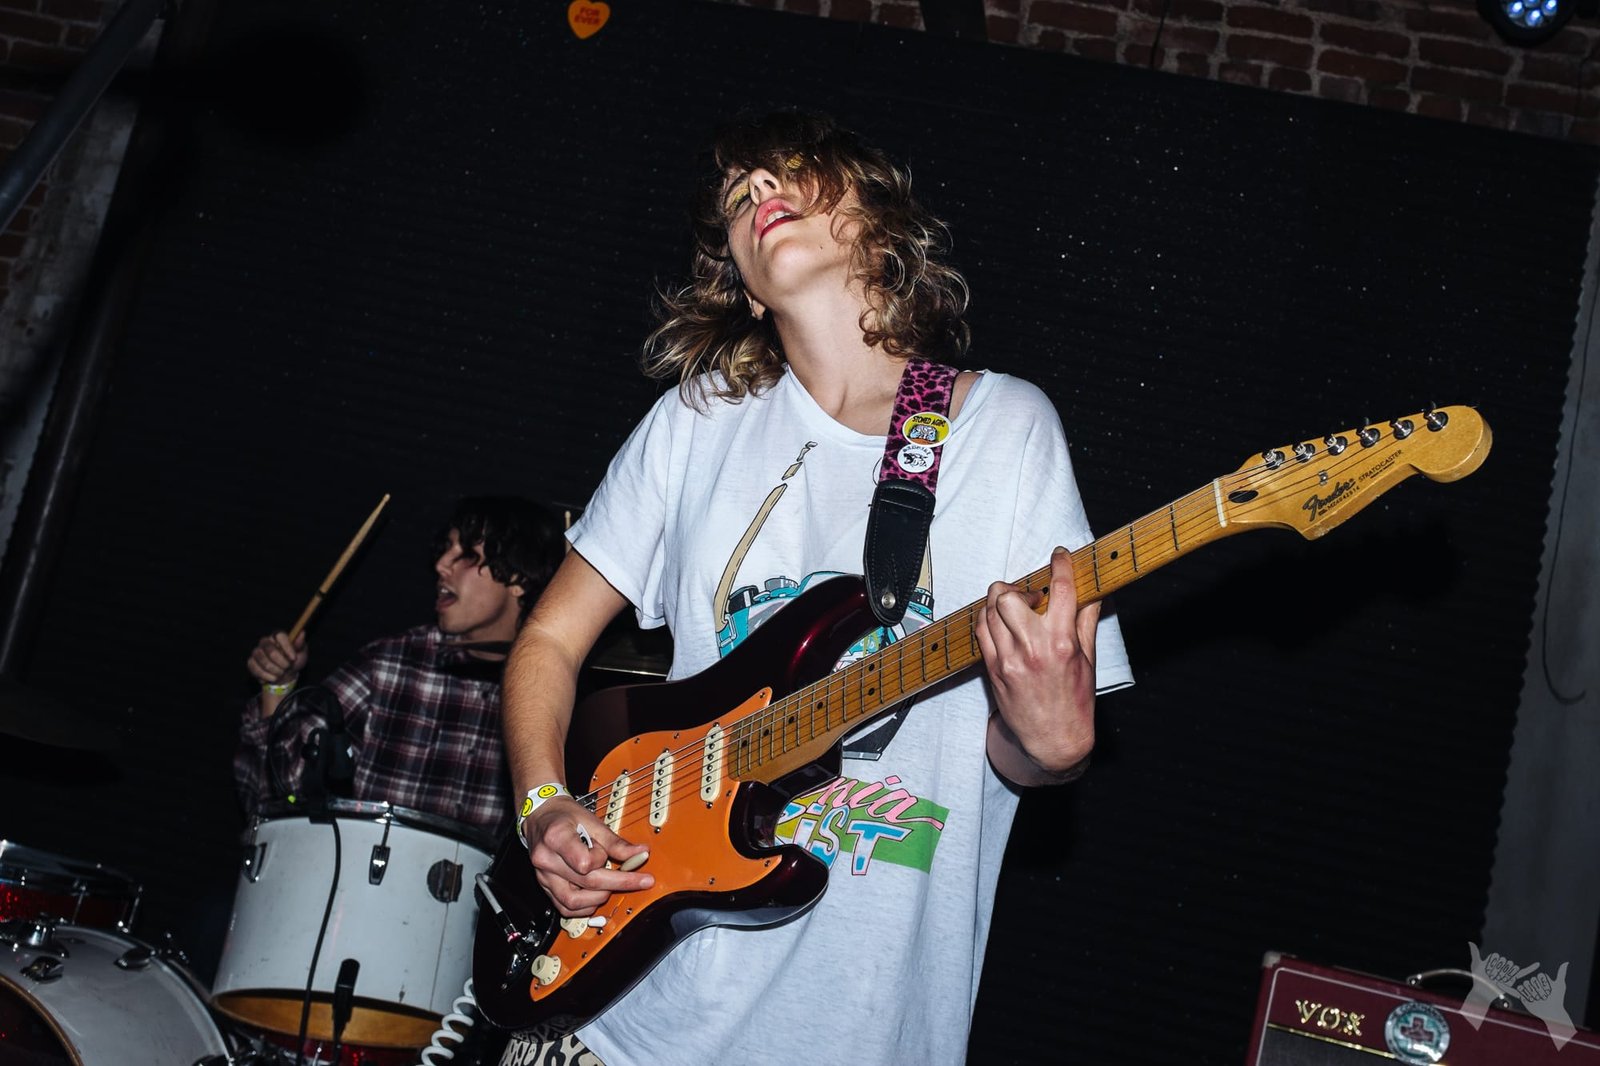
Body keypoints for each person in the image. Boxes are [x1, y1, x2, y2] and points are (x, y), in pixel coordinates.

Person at [499, 110, 1134, 1066]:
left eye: (790, 174)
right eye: (736, 195)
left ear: (882, 232)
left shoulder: (1001, 431)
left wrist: (1052, 745)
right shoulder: (698, 420)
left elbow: (1021, 754)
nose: (758, 193)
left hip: (862, 1027)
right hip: (626, 1021)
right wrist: (544, 803)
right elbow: (547, 643)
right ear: (747, 295)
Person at [235, 495, 566, 837]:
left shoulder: (557, 689)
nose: (440, 565)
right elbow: (277, 803)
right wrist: (277, 688)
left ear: (517, 577)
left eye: (465, 555)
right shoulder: (391, 663)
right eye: (444, 550)